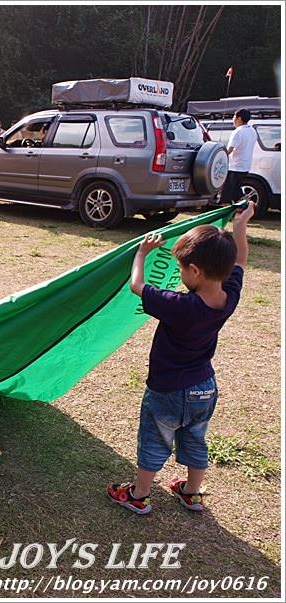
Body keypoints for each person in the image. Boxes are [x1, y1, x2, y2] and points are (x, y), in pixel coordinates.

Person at [107, 202, 256, 515]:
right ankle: (191, 492)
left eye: (182, 268)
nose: (180, 272)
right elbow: (241, 259)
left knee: (154, 438)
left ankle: (140, 494)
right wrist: (241, 225)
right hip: (204, 387)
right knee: (195, 439)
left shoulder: (179, 305)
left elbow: (137, 286)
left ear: (196, 271)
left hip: (167, 390)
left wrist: (141, 253)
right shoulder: (229, 297)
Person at [219, 109, 257, 205]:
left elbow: (230, 150)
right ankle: (244, 206)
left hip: (235, 167)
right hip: (245, 166)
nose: (233, 119)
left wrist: (218, 157)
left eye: (234, 117)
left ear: (239, 118)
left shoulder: (238, 132)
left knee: (228, 193)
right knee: (235, 191)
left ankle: (245, 207)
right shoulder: (252, 130)